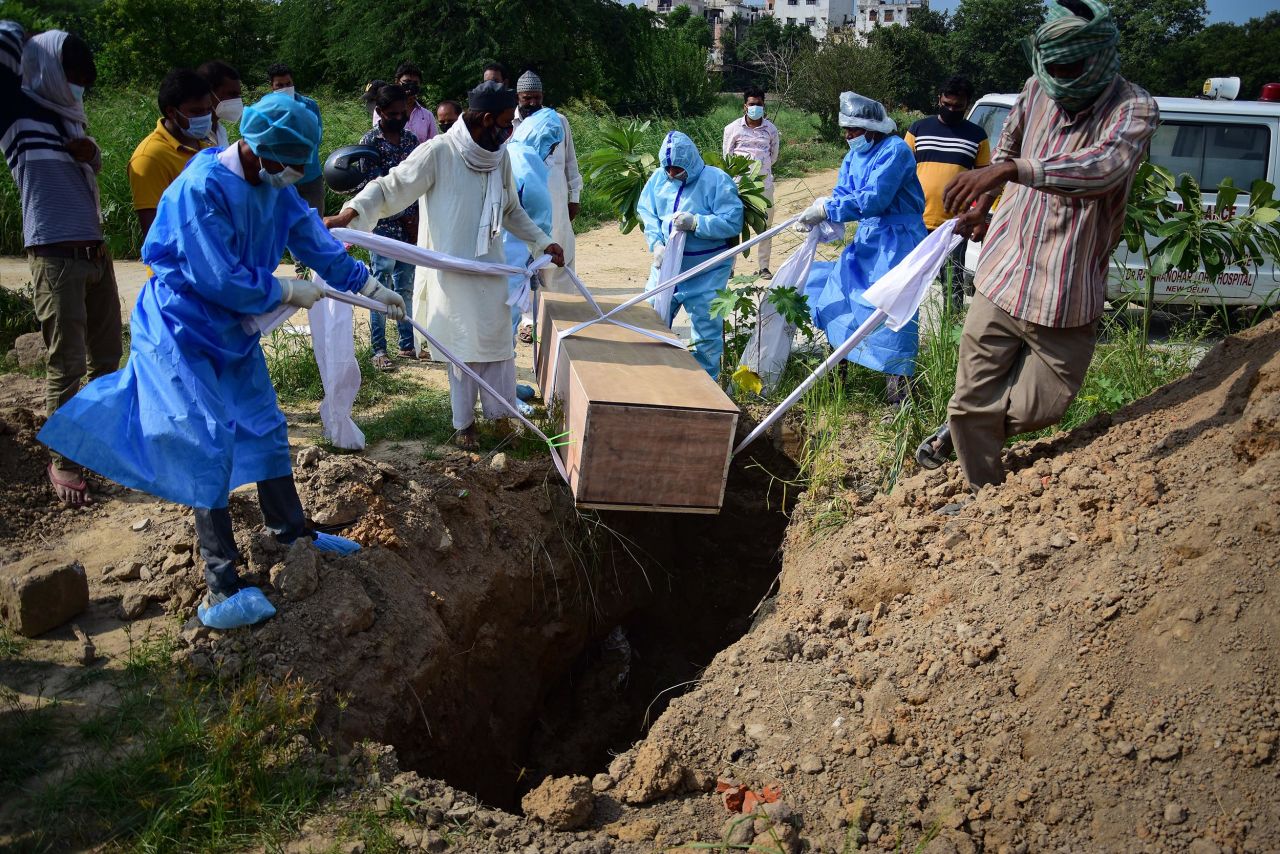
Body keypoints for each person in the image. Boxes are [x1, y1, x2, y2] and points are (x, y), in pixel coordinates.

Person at [38, 93, 407, 619]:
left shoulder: (273, 185)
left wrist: (367, 284)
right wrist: (283, 291)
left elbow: (311, 238)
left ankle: (292, 532)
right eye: (289, 164)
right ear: (257, 149)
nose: (293, 175)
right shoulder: (201, 187)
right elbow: (216, 277)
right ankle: (220, 586)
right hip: (180, 330)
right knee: (206, 439)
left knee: (264, 424)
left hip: (231, 331)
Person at [915, 0, 1157, 491]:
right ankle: (983, 495)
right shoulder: (1035, 89)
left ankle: (964, 436)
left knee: (1045, 405)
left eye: (1070, 70)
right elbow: (1007, 146)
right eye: (1052, 71)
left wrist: (1015, 170)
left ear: (1099, 58)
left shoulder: (1134, 108)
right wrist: (983, 203)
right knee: (968, 402)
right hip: (1005, 271)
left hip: (1067, 287)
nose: (1059, 82)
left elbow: (1103, 167)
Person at [324, 82, 565, 449]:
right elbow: (391, 187)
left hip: (490, 269)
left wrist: (543, 241)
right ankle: (464, 425)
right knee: (462, 348)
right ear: (486, 120)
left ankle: (500, 420)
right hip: (451, 274)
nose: (509, 131)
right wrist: (350, 213)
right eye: (505, 123)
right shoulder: (439, 151)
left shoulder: (498, 156)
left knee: (499, 346)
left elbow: (511, 209)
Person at [1, 21, 121, 508]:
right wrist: (20, 33)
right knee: (66, 365)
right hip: (55, 258)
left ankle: (98, 443)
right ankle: (64, 460)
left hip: (96, 253)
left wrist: (89, 154)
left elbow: (89, 170)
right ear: (44, 66)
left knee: (108, 359)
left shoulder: (71, 118)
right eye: (70, 72)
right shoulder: (14, 116)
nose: (78, 85)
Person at [799, 92, 927, 406]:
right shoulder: (853, 155)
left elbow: (875, 199)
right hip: (870, 237)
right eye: (846, 131)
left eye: (853, 131)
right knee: (839, 296)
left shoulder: (895, 151)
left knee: (890, 311)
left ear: (872, 129)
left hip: (898, 241)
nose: (847, 137)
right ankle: (836, 380)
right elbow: (844, 192)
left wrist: (830, 210)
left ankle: (899, 397)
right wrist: (823, 209)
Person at [637, 130, 744, 378]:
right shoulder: (658, 179)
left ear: (691, 161)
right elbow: (647, 212)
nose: (673, 174)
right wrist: (657, 245)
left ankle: (706, 383)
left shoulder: (716, 180)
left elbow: (732, 221)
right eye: (669, 169)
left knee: (706, 331)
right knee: (649, 319)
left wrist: (696, 223)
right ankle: (651, 376)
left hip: (707, 269)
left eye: (678, 169)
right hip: (667, 267)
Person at [906, 75, 990, 310]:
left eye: (958, 106)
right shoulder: (918, 129)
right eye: (947, 104)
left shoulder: (977, 136)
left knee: (952, 285)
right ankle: (904, 331)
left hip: (954, 225)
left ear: (967, 105)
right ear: (939, 100)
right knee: (907, 280)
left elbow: (986, 181)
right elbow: (900, 172)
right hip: (915, 221)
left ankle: (949, 331)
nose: (951, 109)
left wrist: (978, 216)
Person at [512, 69, 583, 336]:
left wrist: (574, 197)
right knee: (528, 261)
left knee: (560, 256)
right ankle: (530, 322)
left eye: (536, 98)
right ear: (518, 97)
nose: (531, 103)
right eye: (526, 98)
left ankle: (564, 317)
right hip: (523, 205)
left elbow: (570, 163)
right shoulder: (510, 123)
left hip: (556, 203)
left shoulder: (559, 121)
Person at [356, 83, 420, 369]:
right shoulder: (369, 143)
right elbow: (371, 190)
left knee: (406, 287)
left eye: (402, 111)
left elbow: (417, 183)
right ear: (379, 112)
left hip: (411, 228)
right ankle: (379, 350)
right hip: (383, 228)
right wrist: (404, 215)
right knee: (380, 288)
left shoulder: (412, 141)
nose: (400, 117)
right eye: (392, 113)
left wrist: (415, 220)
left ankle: (407, 345)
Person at [127, 69, 213, 240]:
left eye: (208, 110)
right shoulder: (149, 157)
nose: (204, 117)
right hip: (179, 264)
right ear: (171, 112)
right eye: (196, 112)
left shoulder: (206, 146)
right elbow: (156, 234)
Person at [505, 106, 564, 338]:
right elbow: (539, 218)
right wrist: (545, 250)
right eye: (552, 147)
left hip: (495, 252)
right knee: (505, 324)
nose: (551, 153)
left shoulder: (508, 152)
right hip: (513, 254)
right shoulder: (528, 164)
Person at [722, 85, 780, 278]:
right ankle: (729, 268)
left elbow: (774, 156)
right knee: (734, 225)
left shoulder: (771, 130)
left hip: (764, 186)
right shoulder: (732, 129)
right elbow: (727, 157)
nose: (756, 107)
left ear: (764, 106)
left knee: (765, 226)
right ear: (744, 106)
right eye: (752, 104)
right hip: (738, 186)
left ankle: (764, 267)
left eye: (759, 104)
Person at [267, 62, 325, 212]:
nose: (285, 88)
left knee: (314, 226)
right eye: (280, 85)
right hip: (282, 179)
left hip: (310, 177)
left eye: (288, 83)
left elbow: (316, 137)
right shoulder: (265, 109)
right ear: (271, 86)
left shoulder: (310, 105)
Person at [373, 62, 437, 144]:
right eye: (407, 81)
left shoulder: (427, 115)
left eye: (415, 83)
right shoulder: (383, 109)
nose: (411, 85)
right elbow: (379, 136)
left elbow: (434, 143)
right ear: (397, 82)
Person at [197, 60, 243, 147]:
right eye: (232, 94)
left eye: (238, 95)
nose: (238, 100)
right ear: (209, 92)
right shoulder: (193, 134)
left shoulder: (221, 131)